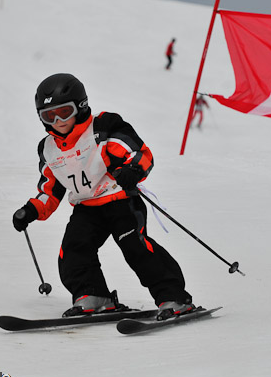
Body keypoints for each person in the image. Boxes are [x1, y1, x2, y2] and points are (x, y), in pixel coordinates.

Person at [12, 73, 194, 320]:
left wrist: (133, 171)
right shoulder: (48, 148)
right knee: (73, 250)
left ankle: (173, 297)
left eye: (64, 112)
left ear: (81, 106)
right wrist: (31, 210)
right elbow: (50, 190)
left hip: (120, 200)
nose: (57, 120)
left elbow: (139, 153)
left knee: (135, 247)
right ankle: (93, 294)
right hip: (87, 208)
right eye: (48, 115)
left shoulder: (104, 126)